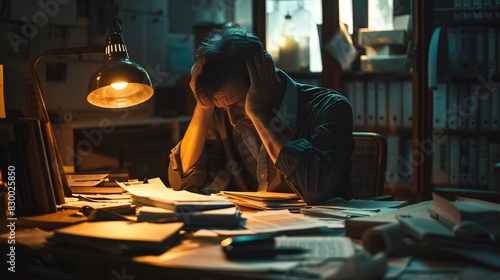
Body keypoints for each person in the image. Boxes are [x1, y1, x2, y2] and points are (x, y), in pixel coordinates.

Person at [168, 24, 353, 204]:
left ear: (265, 78)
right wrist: (203, 106)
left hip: (321, 231)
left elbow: (314, 189)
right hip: (249, 229)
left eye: (238, 104)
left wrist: (258, 115)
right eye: (223, 107)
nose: (233, 120)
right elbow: (184, 183)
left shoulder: (329, 107)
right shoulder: (222, 113)